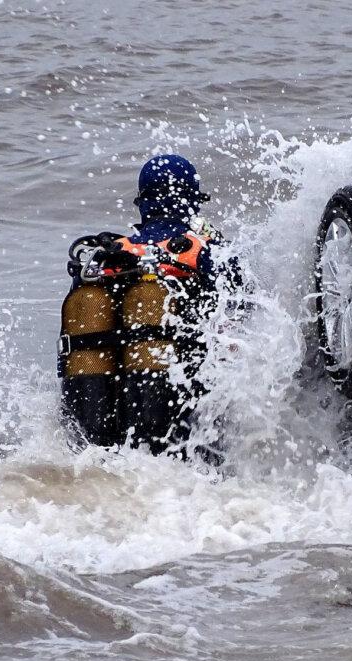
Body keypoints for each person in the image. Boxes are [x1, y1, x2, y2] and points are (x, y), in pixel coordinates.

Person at [58, 154, 241, 453]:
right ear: (193, 201)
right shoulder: (206, 250)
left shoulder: (106, 257)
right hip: (178, 414)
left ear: (142, 203)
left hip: (97, 414)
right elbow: (240, 315)